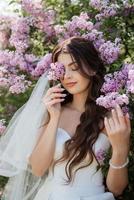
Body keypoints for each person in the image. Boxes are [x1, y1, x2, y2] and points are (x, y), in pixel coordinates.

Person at [0, 37, 131, 200]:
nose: (67, 76)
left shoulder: (111, 116)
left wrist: (120, 149)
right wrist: (54, 118)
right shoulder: (52, 112)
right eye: (62, 70)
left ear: (92, 68)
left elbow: (116, 189)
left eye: (74, 67)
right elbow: (38, 169)